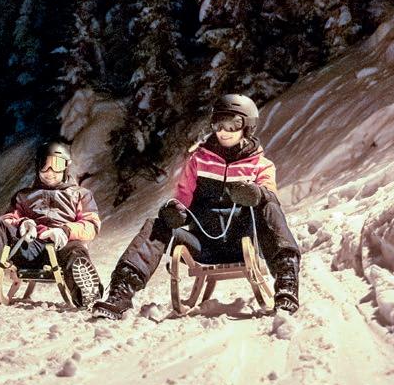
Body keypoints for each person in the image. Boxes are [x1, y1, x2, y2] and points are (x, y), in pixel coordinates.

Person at [92, 94, 301, 319]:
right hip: (202, 245)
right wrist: (174, 211)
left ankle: (286, 283)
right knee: (156, 225)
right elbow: (182, 198)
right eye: (218, 123)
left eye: (233, 124)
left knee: (269, 206)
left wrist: (257, 193)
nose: (223, 131)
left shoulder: (261, 165)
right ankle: (120, 293)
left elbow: (270, 195)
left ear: (248, 126)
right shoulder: (199, 161)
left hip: (244, 242)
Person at [0, 141, 104, 308]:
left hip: (62, 247)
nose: (50, 172)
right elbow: (9, 218)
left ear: (66, 167)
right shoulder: (24, 196)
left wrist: (65, 231)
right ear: (37, 166)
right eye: (44, 165)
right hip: (30, 248)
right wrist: (23, 223)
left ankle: (86, 293)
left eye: (56, 165)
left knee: (76, 251)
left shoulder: (80, 195)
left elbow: (92, 225)